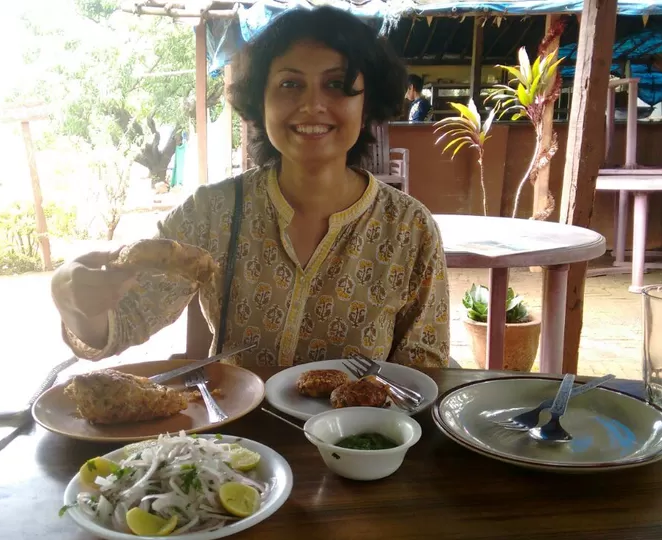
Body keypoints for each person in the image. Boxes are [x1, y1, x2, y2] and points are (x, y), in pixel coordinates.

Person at [51, 6, 453, 369]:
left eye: (336, 84)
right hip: (236, 444)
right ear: (260, 100)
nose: (312, 104)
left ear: (367, 103)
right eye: (290, 85)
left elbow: (424, 370)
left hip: (359, 443)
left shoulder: (409, 229)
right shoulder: (211, 212)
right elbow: (127, 320)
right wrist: (80, 310)